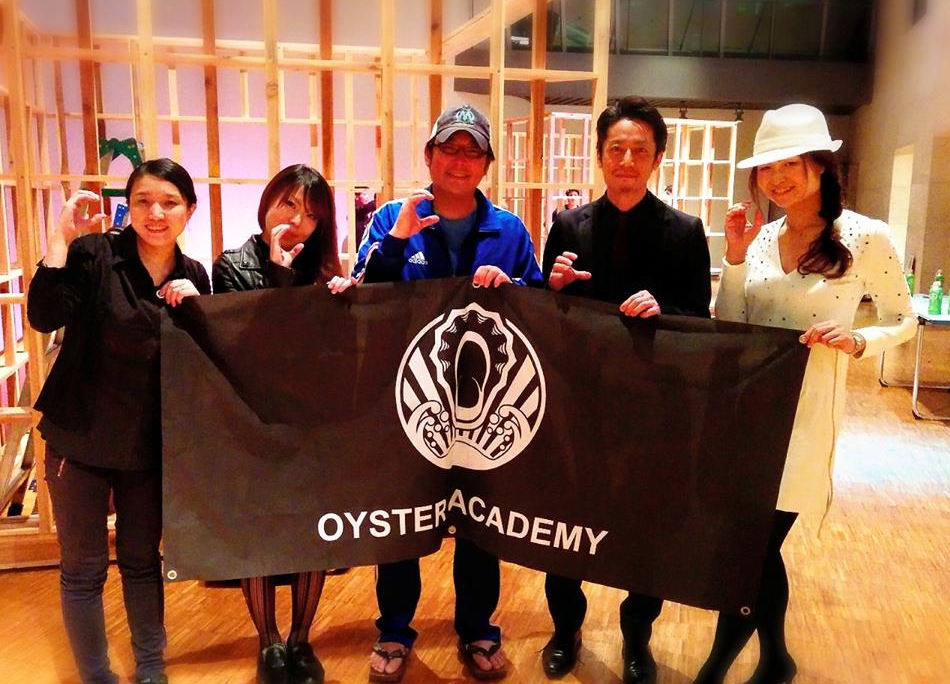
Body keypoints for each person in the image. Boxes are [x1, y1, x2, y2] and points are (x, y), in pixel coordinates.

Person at [694, 103, 917, 684]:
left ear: (820, 165)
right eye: (767, 167)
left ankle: (715, 670)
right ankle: (777, 660)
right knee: (753, 546)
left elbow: (904, 318)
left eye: (789, 164)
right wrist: (735, 256)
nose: (776, 178)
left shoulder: (866, 236)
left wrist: (859, 339)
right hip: (751, 410)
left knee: (750, 547)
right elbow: (733, 322)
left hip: (808, 414)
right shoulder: (763, 238)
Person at [353, 103, 543, 682]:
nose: (460, 161)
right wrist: (396, 242)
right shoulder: (393, 216)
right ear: (429, 155)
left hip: (486, 411)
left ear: (486, 163)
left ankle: (479, 629)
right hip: (408, 405)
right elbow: (360, 296)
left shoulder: (510, 230)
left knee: (482, 521)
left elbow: (539, 309)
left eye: (472, 151)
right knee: (402, 520)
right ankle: (393, 630)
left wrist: (512, 286)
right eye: (450, 149)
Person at [540, 96, 712, 683]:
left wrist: (666, 310)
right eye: (617, 148)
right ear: (600, 156)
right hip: (579, 404)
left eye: (640, 150)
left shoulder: (685, 232)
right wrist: (554, 287)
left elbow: (699, 319)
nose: (627, 160)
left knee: (646, 529)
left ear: (657, 158)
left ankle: (638, 640)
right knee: (565, 524)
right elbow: (548, 317)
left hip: (652, 408)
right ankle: (565, 631)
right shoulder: (569, 225)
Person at [27, 159, 210, 684]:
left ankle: (151, 668)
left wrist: (200, 307)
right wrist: (60, 241)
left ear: (189, 210)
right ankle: (96, 675)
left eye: (169, 202)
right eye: (144, 201)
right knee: (83, 569)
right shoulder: (95, 254)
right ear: (128, 206)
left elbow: (206, 360)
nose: (156, 213)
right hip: (79, 438)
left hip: (148, 445)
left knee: (141, 561)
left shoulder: (195, 275)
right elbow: (43, 316)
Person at [212, 164, 349, 684]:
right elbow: (247, 344)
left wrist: (348, 304)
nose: (297, 221)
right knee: (260, 534)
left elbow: (335, 351)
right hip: (253, 422)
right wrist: (277, 272)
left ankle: (301, 639)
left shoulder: (326, 270)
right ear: (268, 202)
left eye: (311, 214)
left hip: (311, 425)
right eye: (288, 205)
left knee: (312, 534)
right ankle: (268, 642)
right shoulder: (233, 264)